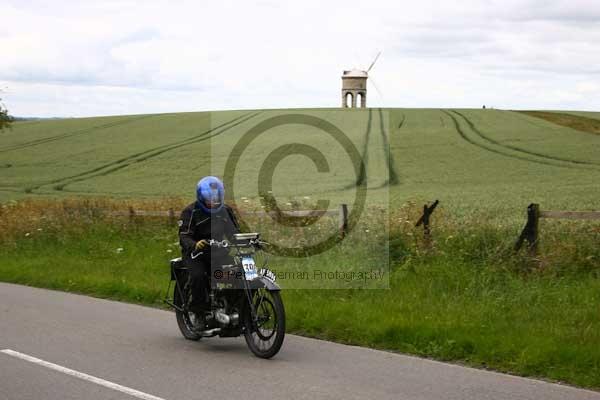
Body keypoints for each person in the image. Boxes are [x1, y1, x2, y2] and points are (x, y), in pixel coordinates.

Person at [178, 176, 240, 316]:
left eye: (216, 199)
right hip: (196, 254)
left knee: (238, 274)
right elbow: (184, 236)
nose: (213, 202)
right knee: (198, 276)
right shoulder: (190, 212)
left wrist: (249, 241)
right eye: (209, 200)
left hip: (218, 252)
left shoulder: (226, 211)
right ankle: (198, 313)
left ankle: (232, 308)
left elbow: (234, 233)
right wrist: (195, 244)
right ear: (201, 197)